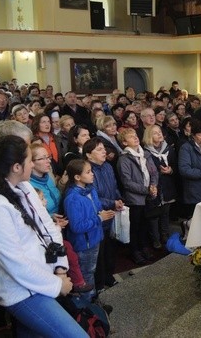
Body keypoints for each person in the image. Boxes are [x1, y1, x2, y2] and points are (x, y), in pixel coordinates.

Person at [0, 135, 87, 337]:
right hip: (23, 292)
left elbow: (49, 227)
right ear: (16, 167)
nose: (34, 165)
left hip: (45, 278)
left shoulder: (25, 186)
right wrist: (57, 285)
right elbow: (15, 264)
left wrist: (61, 269)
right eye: (30, 160)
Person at [63, 159, 115, 301]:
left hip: (94, 238)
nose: (92, 174)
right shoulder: (73, 198)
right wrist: (99, 218)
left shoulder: (91, 190)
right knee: (85, 275)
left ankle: (92, 300)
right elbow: (77, 226)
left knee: (92, 271)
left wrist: (102, 215)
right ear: (77, 177)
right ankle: (87, 304)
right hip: (84, 243)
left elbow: (97, 209)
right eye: (88, 172)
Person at [83, 138, 123, 292]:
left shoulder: (107, 166)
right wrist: (112, 203)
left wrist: (118, 199)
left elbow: (114, 186)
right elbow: (94, 197)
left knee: (110, 248)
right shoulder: (88, 171)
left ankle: (109, 275)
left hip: (113, 211)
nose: (104, 152)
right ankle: (99, 283)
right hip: (99, 214)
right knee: (99, 252)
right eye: (99, 150)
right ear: (88, 155)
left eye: (103, 149)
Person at [117, 128, 158, 265]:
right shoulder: (124, 159)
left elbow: (153, 172)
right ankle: (134, 250)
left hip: (148, 196)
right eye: (130, 137)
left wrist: (154, 185)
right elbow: (127, 182)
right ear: (124, 142)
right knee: (135, 226)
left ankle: (144, 247)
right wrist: (147, 189)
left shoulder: (145, 154)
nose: (135, 138)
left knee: (145, 224)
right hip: (134, 199)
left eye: (135, 135)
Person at [143, 125, 178, 248]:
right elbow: (146, 171)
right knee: (154, 215)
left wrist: (170, 170)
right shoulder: (145, 152)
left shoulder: (168, 149)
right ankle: (155, 239)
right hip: (155, 186)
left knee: (165, 212)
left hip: (167, 185)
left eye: (159, 132)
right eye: (155, 133)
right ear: (149, 136)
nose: (159, 134)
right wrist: (158, 173)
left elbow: (175, 164)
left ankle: (165, 235)